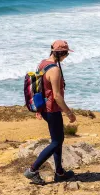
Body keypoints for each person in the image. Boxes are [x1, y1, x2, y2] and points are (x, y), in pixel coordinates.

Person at [24, 40, 77, 185]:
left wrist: (39, 109)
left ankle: (59, 172)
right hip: (52, 109)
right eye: (66, 54)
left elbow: (38, 88)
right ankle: (32, 170)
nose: (66, 56)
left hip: (45, 108)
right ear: (62, 54)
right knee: (57, 141)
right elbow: (57, 96)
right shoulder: (54, 70)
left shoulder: (42, 64)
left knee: (57, 140)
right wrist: (69, 113)